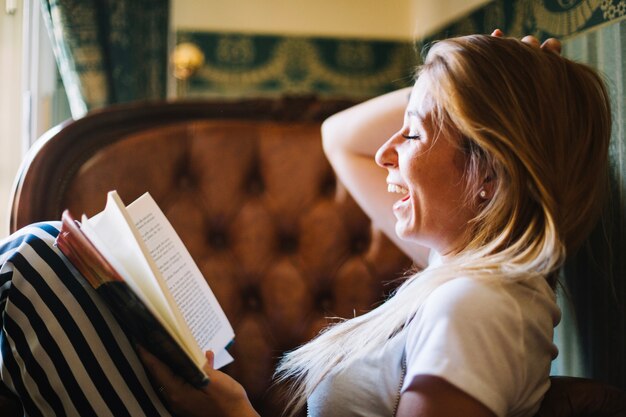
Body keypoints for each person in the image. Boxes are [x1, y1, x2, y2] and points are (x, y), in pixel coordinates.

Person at [0, 31, 610, 417]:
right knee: (36, 262)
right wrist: (467, 82)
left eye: (416, 131)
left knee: (29, 266)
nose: (388, 151)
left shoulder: (481, 307)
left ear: (488, 173)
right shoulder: (460, 272)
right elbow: (339, 139)